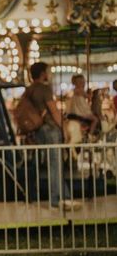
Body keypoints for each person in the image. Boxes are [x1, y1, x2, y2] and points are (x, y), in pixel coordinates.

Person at [27, 62, 79, 210]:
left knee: (44, 164)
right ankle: (57, 199)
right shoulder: (44, 89)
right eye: (47, 72)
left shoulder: (30, 90)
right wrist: (64, 129)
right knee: (55, 164)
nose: (49, 74)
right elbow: (54, 111)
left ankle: (64, 196)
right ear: (43, 73)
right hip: (50, 128)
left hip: (38, 130)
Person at [67, 74, 98, 138]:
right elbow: (89, 97)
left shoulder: (75, 90)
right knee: (95, 119)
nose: (83, 83)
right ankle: (90, 134)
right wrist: (91, 93)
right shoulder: (80, 90)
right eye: (81, 82)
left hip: (76, 110)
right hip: (80, 111)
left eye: (83, 82)